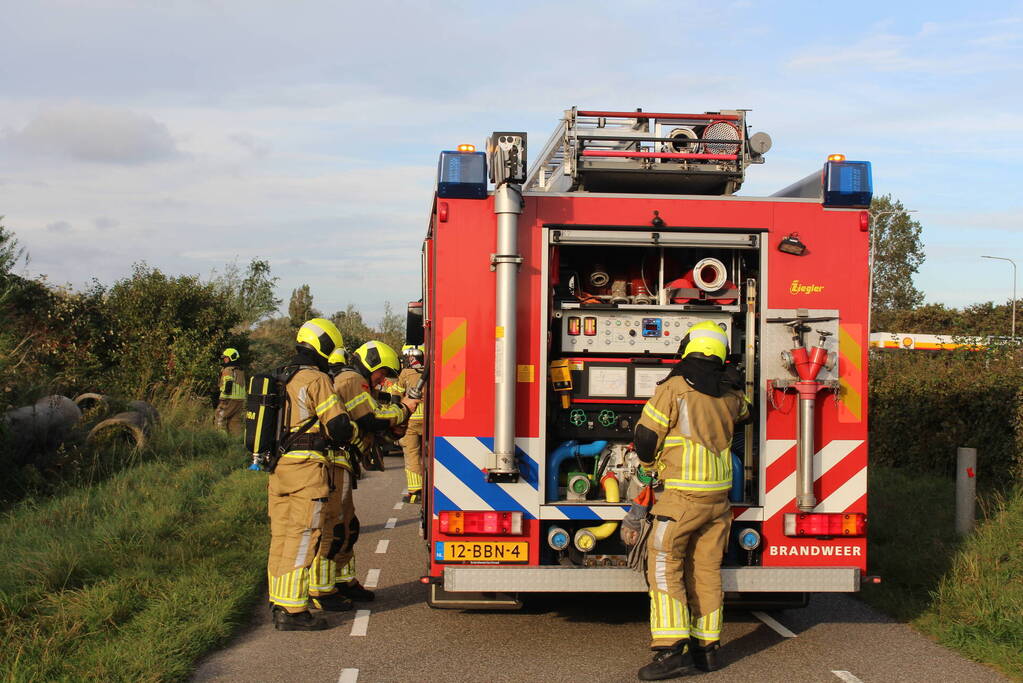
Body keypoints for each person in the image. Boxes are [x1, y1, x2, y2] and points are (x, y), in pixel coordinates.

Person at [633, 320, 750, 680]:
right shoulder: (732, 394)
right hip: (718, 500)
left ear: (688, 348)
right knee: (706, 570)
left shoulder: (675, 388)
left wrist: (648, 468)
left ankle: (670, 650)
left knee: (664, 566)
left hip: (682, 497)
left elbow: (645, 437)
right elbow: (747, 414)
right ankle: (707, 649)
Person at [267, 318, 359, 631]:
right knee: (305, 535)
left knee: (280, 536)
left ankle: (279, 600)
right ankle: (293, 611)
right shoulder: (316, 379)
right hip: (307, 469)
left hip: (279, 468)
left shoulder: (281, 376)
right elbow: (339, 427)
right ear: (322, 345)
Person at [329, 340, 419, 599]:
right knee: (335, 529)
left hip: (343, 462)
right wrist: (403, 409)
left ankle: (343, 581)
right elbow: (371, 416)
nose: (382, 381)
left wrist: (392, 428)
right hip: (335, 462)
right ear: (372, 363)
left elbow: (368, 421)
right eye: (382, 373)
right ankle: (324, 589)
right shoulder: (353, 380)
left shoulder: (356, 380)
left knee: (348, 526)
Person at [388, 345, 426, 503]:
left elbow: (395, 394)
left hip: (410, 419)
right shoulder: (433, 371)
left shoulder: (405, 373)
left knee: (412, 455)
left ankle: (416, 491)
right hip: (430, 420)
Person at [215, 347, 246, 436]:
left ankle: (221, 441)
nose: (224, 360)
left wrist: (223, 397)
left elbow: (228, 384)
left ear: (231, 357)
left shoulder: (228, 370)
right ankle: (237, 442)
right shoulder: (240, 370)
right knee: (235, 422)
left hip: (228, 398)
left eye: (226, 357)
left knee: (219, 418)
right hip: (240, 400)